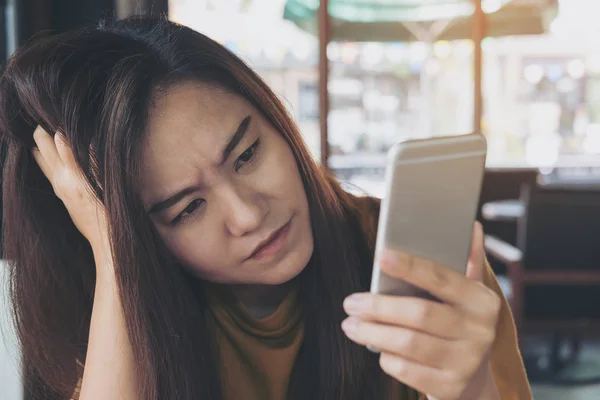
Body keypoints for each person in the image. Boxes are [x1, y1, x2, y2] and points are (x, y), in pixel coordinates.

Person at [0, 17, 531, 400]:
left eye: (248, 154)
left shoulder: (411, 255)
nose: (248, 214)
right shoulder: (116, 309)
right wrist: (114, 253)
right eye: (186, 209)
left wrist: (473, 389)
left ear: (277, 119)